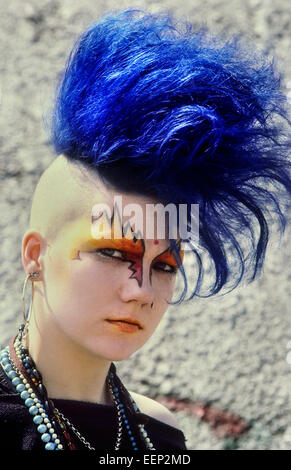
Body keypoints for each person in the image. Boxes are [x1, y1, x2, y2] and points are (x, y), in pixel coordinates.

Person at [0, 8, 290, 451]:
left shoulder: (160, 436)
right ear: (36, 256)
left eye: (166, 265)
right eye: (114, 253)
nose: (142, 291)